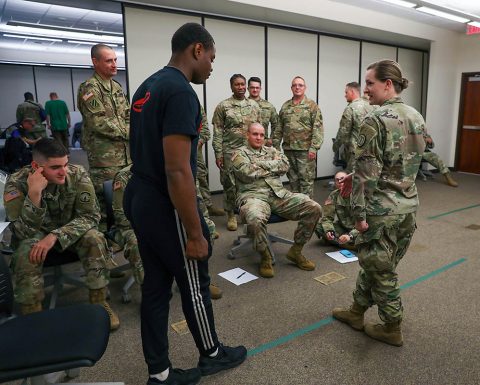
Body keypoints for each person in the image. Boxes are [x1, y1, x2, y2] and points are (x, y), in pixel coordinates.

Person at [124, 23, 246, 385]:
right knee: (194, 279)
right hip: (165, 201)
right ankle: (211, 354)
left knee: (157, 286)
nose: (212, 66)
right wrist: (195, 233)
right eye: (211, 57)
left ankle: (159, 374)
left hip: (140, 195)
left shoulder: (149, 85)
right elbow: (178, 170)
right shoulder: (180, 92)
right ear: (197, 50)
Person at [332, 60, 425, 347]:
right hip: (407, 207)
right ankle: (357, 312)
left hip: (381, 211)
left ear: (388, 84)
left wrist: (358, 215)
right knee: (375, 264)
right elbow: (402, 164)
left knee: (382, 272)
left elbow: (366, 175)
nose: (366, 89)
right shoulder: (415, 116)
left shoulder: (374, 120)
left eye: (370, 83)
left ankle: (391, 326)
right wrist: (356, 174)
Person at [3, 138, 120, 330]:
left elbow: (90, 216)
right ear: (36, 166)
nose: (63, 171)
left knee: (95, 238)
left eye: (65, 164)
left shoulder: (77, 174)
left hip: (70, 231)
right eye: (55, 167)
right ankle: (32, 314)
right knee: (25, 250)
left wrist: (55, 235)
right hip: (34, 235)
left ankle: (99, 302)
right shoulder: (16, 184)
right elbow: (21, 232)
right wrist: (34, 195)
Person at [232, 122, 322, 278]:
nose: (259, 137)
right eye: (255, 134)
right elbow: (247, 172)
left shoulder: (272, 150)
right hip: (254, 196)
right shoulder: (239, 154)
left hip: (278, 194)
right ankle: (265, 256)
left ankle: (296, 251)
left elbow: (285, 166)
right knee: (254, 218)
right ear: (247, 135)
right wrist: (272, 167)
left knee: (313, 207)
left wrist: (259, 165)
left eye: (262, 135)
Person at [77, 43, 131, 232]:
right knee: (104, 199)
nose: (114, 64)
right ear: (95, 62)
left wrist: (130, 129)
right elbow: (97, 122)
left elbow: (127, 115)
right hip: (103, 157)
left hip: (124, 155)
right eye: (109, 61)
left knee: (122, 196)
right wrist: (129, 132)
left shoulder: (116, 87)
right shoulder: (89, 89)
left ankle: (122, 234)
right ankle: (103, 239)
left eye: (115, 60)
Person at [212, 74, 260, 231]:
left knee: (250, 183)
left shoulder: (254, 105)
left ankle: (247, 213)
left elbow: (259, 130)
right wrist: (218, 153)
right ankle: (231, 214)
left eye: (243, 84)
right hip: (230, 152)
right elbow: (218, 131)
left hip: (250, 152)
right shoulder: (223, 106)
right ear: (231, 86)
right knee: (230, 184)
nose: (241, 87)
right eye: (237, 84)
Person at [273, 76, 323, 198]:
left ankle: (308, 213)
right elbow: (279, 128)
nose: (297, 87)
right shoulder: (285, 106)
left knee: (306, 182)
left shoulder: (311, 106)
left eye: (300, 85)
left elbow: (318, 128)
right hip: (288, 150)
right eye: (295, 85)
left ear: (305, 88)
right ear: (291, 88)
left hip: (305, 151)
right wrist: (275, 148)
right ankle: (297, 210)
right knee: (293, 181)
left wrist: (314, 148)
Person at [112, 165, 144, 285]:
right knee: (137, 243)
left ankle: (192, 283)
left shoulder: (166, 170)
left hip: (158, 224)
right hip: (130, 227)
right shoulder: (125, 176)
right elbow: (121, 216)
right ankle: (148, 291)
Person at [333, 82, 374, 172]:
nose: (345, 95)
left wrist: (335, 146)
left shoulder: (351, 108)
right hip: (371, 151)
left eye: (346, 92)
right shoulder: (371, 105)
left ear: (352, 92)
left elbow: (343, 132)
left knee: (352, 178)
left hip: (355, 151)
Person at [315, 171, 358, 249]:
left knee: (372, 233)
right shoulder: (333, 195)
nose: (340, 182)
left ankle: (343, 242)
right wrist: (329, 231)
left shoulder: (358, 194)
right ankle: (348, 244)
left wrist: (350, 235)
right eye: (337, 180)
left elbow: (367, 222)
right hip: (343, 227)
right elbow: (327, 218)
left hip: (359, 228)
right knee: (319, 226)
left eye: (342, 179)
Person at [197, 106, 224, 216]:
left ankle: (208, 206)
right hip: (174, 149)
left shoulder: (195, 105)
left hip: (194, 149)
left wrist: (199, 142)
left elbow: (205, 129)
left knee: (201, 176)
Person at [247, 76, 279, 147]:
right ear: (248, 89)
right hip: (245, 145)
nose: (255, 90)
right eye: (252, 87)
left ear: (260, 89)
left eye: (257, 88)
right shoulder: (243, 105)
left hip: (263, 145)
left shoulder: (268, 106)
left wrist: (271, 139)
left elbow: (276, 124)